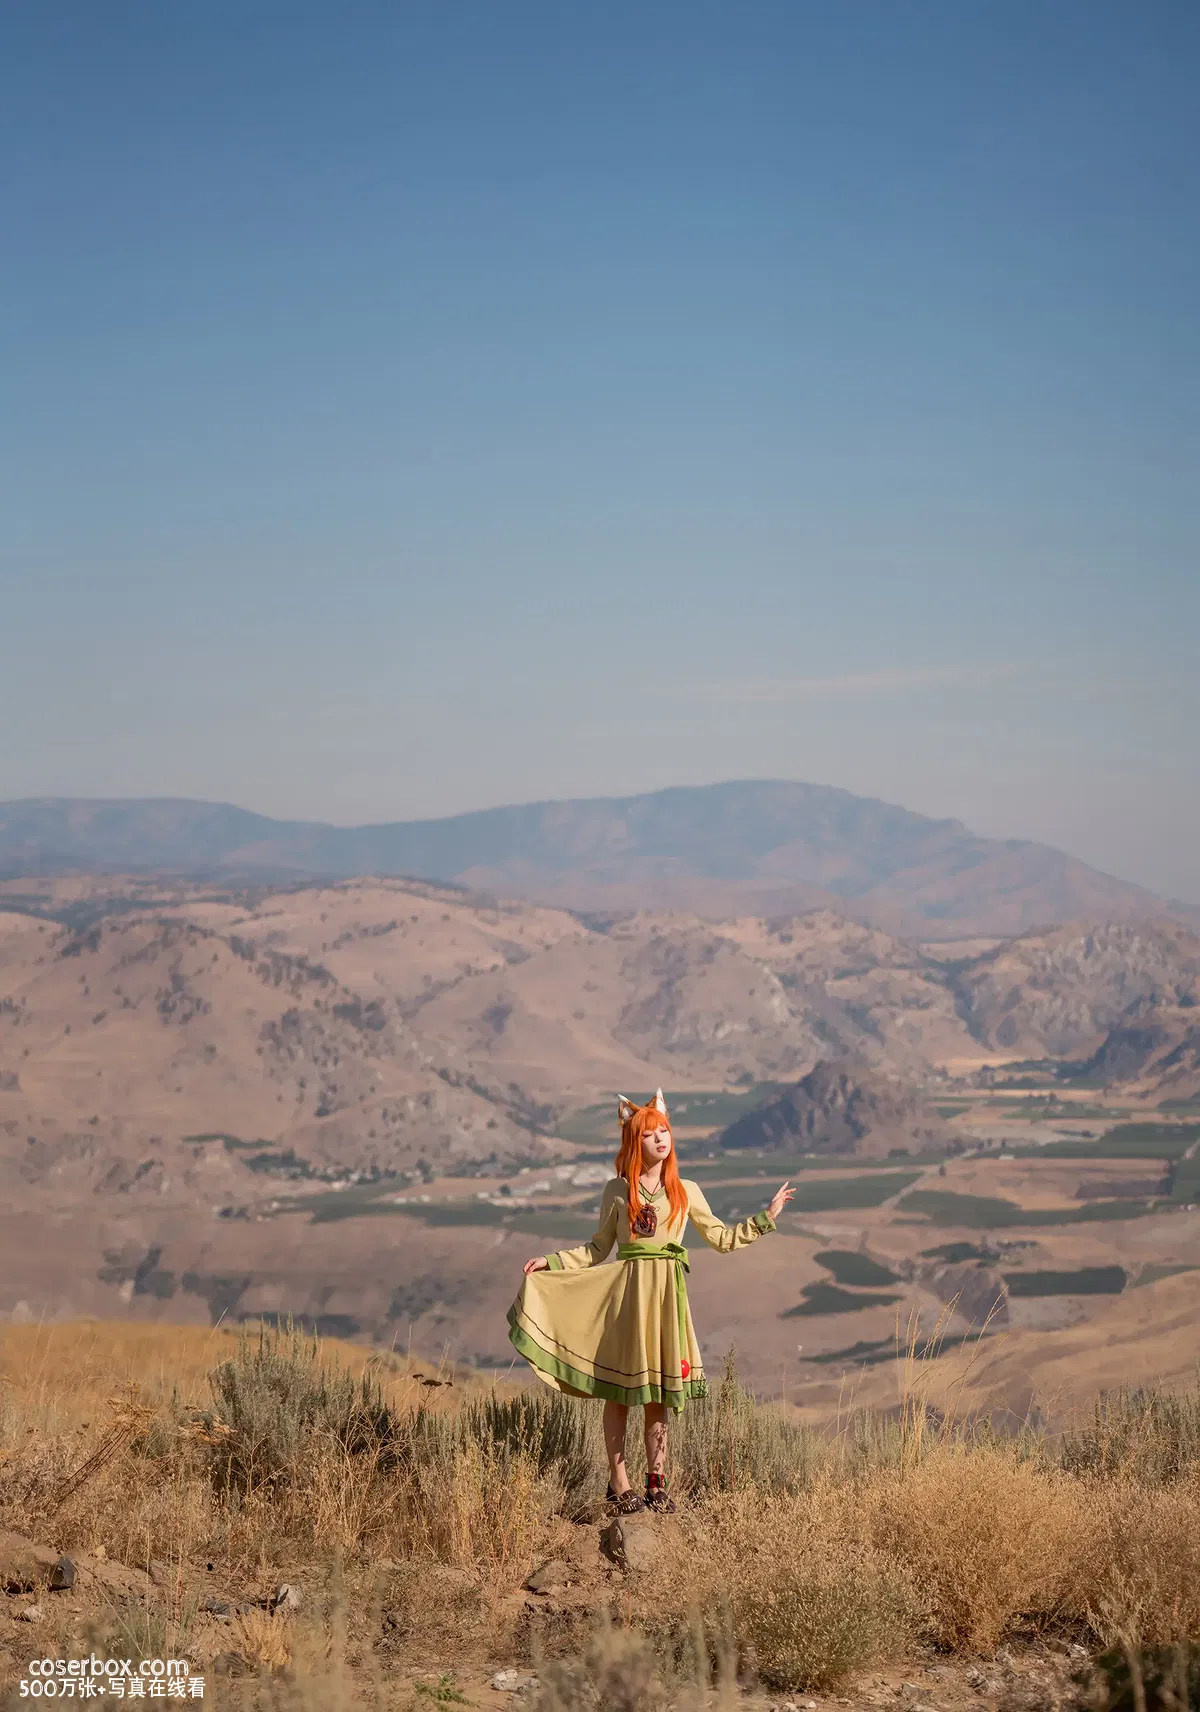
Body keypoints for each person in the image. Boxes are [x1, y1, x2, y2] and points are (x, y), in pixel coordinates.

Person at [507, 1089, 793, 1514]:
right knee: (620, 1393)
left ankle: (656, 1482)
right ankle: (618, 1481)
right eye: (649, 1133)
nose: (660, 1139)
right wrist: (553, 1262)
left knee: (659, 1394)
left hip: (665, 1301)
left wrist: (765, 1218)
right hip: (627, 1299)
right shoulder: (617, 1190)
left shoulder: (685, 1191)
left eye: (664, 1131)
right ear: (633, 1141)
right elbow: (597, 1248)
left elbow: (720, 1238)